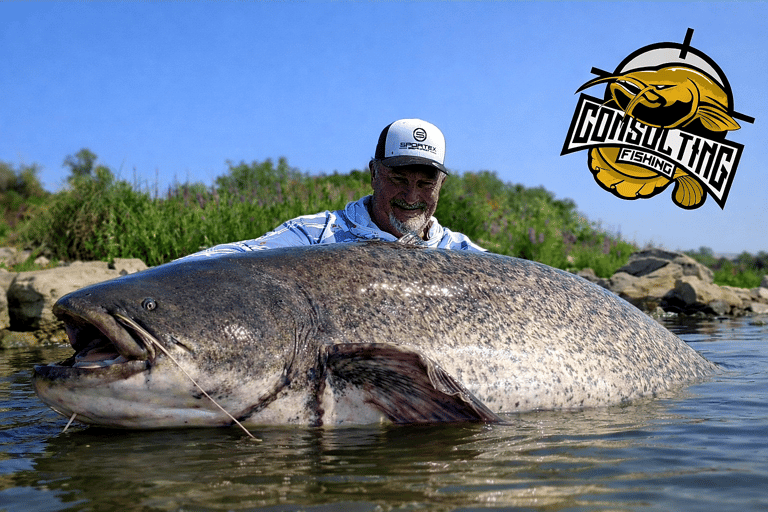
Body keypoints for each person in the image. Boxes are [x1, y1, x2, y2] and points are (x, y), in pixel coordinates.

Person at [188, 118, 485, 257]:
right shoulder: (314, 236)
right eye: (399, 179)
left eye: (425, 184)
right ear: (374, 174)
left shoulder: (464, 255)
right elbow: (229, 261)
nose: (411, 196)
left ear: (441, 184)